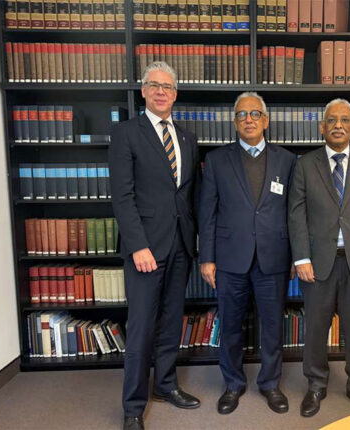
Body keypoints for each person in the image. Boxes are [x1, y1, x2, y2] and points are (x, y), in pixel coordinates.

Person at [109, 61, 201, 430]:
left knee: (170, 322)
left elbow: (188, 194)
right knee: (142, 327)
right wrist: (138, 246)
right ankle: (133, 407)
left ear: (175, 94)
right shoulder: (126, 133)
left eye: (167, 86)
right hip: (145, 249)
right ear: (144, 91)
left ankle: (165, 385)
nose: (161, 91)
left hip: (180, 245)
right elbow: (122, 196)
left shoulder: (187, 138)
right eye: (154, 85)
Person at [288, 98, 350, 417]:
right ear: (322, 127)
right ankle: (316, 385)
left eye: (345, 120)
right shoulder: (305, 165)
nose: (338, 125)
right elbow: (296, 215)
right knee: (316, 328)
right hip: (317, 263)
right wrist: (301, 258)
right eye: (332, 120)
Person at [198, 92, 296, 415]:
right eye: (242, 114)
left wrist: (296, 256)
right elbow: (207, 212)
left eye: (255, 114)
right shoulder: (216, 160)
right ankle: (233, 384)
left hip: (274, 257)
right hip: (229, 258)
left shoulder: (287, 160)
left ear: (265, 120)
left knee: (272, 326)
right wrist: (207, 258)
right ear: (235, 122)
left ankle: (270, 384)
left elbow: (294, 213)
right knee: (229, 325)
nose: (249, 119)